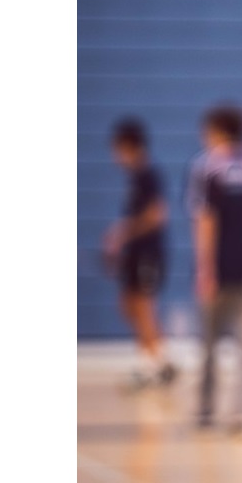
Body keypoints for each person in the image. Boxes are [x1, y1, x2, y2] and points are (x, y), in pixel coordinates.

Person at [186, 104, 242, 436]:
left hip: (220, 270)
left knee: (208, 345)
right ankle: (240, 416)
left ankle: (206, 411)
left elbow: (204, 220)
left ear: (217, 130)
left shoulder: (207, 166)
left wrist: (204, 269)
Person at [106, 118, 174, 391]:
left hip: (149, 253)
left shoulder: (148, 175)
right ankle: (160, 361)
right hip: (135, 254)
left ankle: (151, 368)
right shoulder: (134, 178)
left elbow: (157, 215)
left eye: (117, 149)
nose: (114, 156)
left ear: (128, 146)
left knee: (144, 307)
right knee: (129, 306)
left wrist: (123, 232)